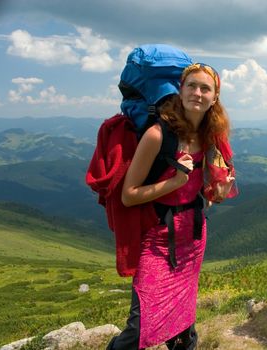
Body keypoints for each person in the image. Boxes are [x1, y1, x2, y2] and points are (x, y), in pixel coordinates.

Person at [107, 63, 236, 349]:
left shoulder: (209, 136)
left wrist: (219, 192)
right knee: (138, 327)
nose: (197, 93)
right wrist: (175, 182)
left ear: (215, 97)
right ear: (180, 89)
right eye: (191, 85)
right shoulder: (157, 135)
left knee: (184, 321)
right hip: (157, 238)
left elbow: (206, 194)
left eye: (206, 88)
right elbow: (129, 195)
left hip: (192, 236)